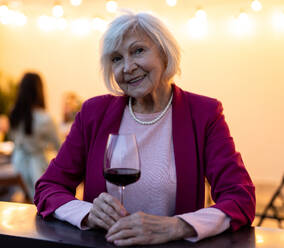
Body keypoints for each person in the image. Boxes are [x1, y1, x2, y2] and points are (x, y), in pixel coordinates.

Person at [34, 12, 255, 246]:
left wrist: (177, 227)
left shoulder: (203, 114)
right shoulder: (93, 113)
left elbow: (240, 198)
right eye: (117, 58)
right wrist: (87, 213)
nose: (128, 67)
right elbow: (49, 187)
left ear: (164, 51)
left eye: (138, 51)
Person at [9, 72, 60, 199]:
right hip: (37, 168)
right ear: (40, 90)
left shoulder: (14, 113)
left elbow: (13, 138)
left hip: (18, 166)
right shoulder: (44, 119)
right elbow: (60, 147)